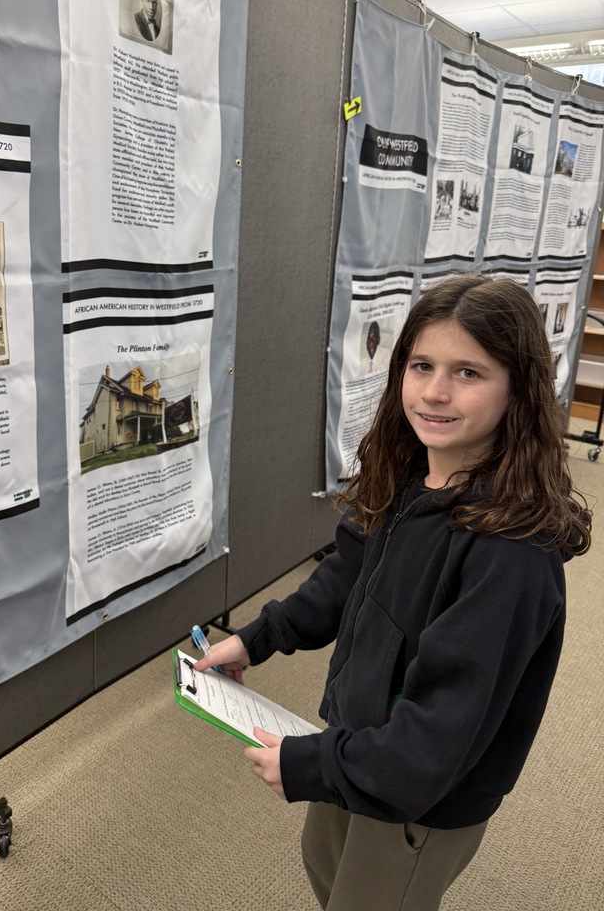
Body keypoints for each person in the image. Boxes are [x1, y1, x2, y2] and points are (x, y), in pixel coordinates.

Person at [195, 274, 590, 911]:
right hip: (358, 747)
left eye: (468, 372)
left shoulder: (511, 555)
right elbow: (348, 575)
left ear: (518, 388)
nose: (434, 391)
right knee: (325, 865)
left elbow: (437, 735)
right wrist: (257, 638)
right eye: (422, 365)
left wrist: (311, 766)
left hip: (422, 795)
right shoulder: (408, 475)